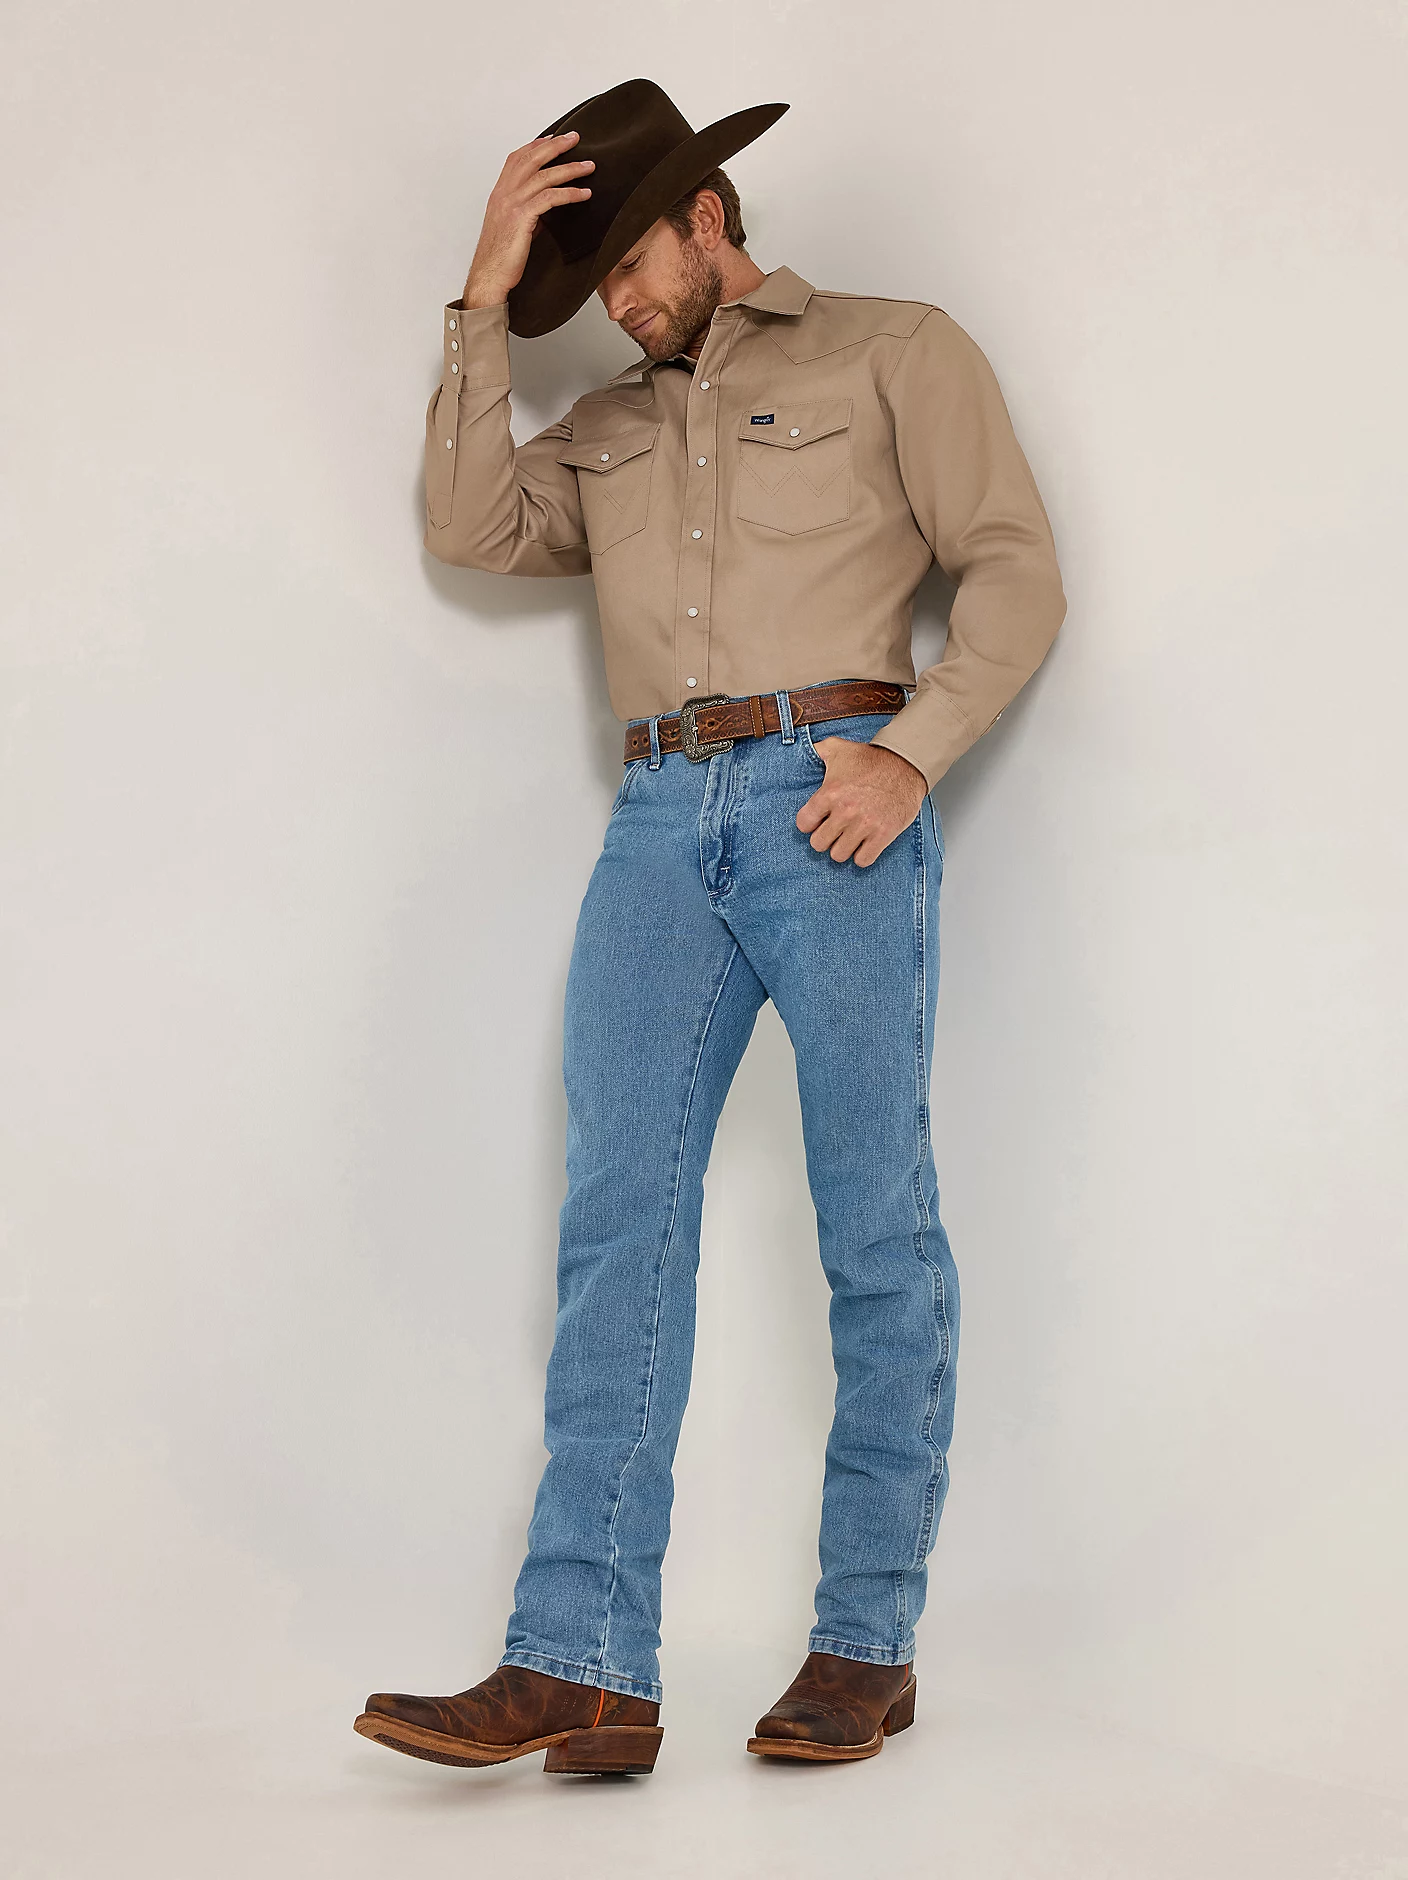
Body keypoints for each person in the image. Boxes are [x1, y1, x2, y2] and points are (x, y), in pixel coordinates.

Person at [354, 76, 1065, 1776]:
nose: (614, 300)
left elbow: (1015, 569)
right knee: (620, 1227)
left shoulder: (895, 349)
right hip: (660, 820)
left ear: (709, 216)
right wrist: (481, 295)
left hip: (836, 798)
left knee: (874, 1227)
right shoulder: (604, 428)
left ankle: (865, 1641)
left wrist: (907, 756)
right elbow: (466, 524)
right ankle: (584, 1663)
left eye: (627, 259)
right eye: (585, 275)